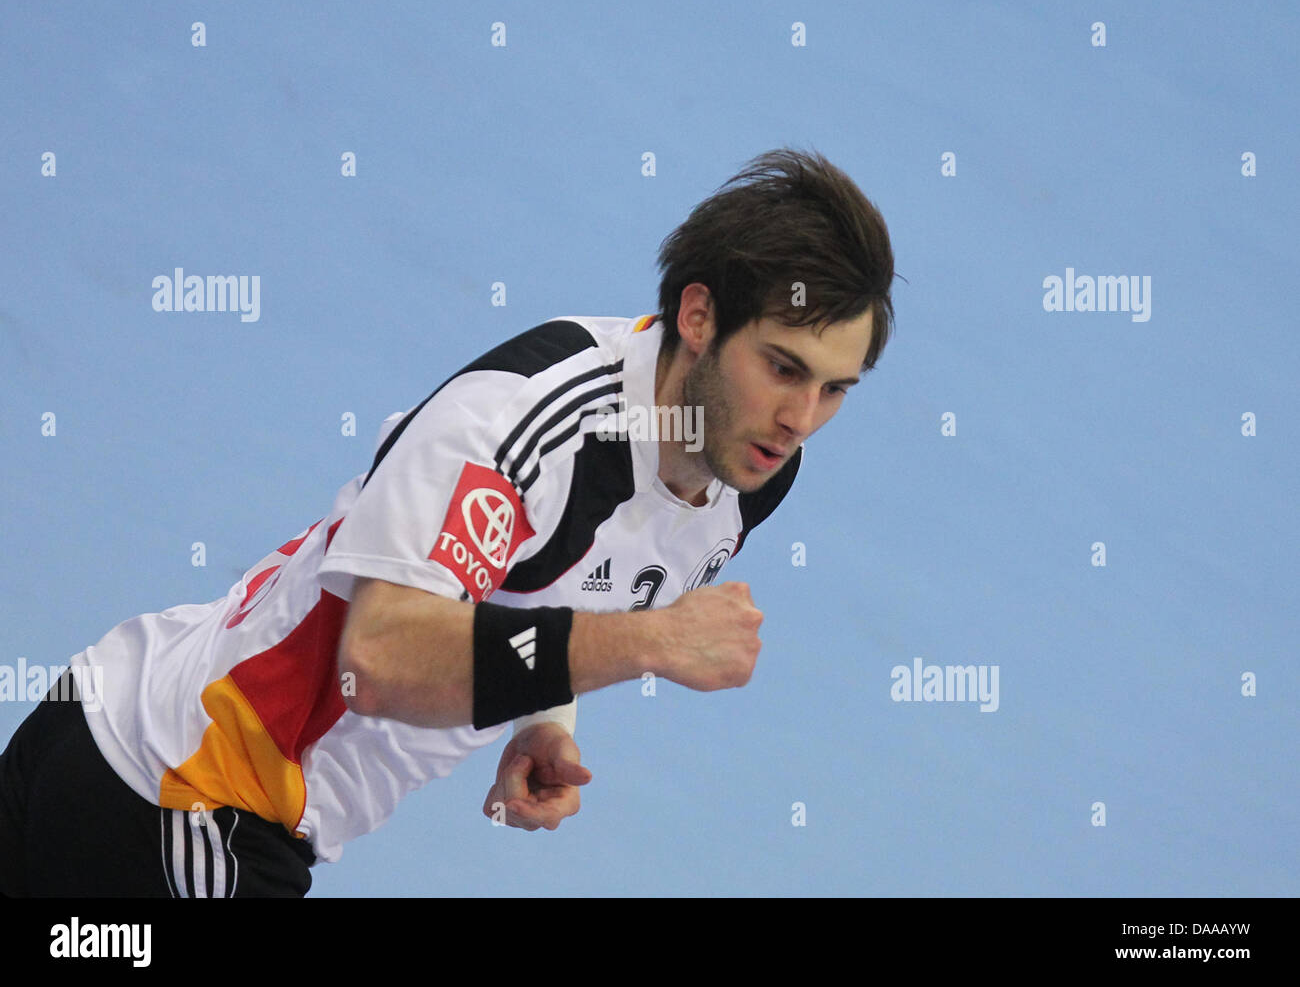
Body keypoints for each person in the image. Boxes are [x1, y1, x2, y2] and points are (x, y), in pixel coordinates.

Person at [0, 148, 895, 897]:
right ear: (698, 316)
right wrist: (652, 643)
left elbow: (566, 583)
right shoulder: (520, 426)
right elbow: (381, 659)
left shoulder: (750, 465)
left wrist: (544, 719)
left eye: (835, 389)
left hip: (146, 745)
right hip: (184, 795)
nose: (802, 417)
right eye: (783, 368)